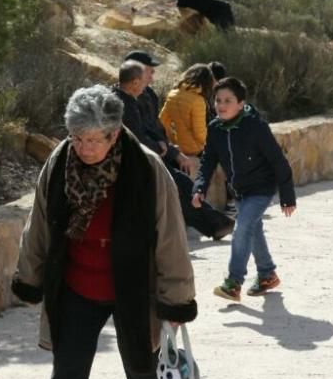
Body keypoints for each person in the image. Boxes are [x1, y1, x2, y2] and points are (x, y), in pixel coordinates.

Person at [12, 85, 198, 379]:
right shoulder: (59, 163)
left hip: (132, 286)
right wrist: (29, 278)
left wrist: (175, 303)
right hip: (78, 283)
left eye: (94, 139)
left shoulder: (145, 168)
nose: (84, 147)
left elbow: (170, 239)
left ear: (114, 134)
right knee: (67, 371)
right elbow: (39, 225)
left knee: (141, 364)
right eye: (78, 138)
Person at [192, 78, 296, 301]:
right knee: (253, 230)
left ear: (240, 103)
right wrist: (199, 188)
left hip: (261, 188)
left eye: (227, 100)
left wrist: (287, 196)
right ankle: (267, 274)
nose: (221, 105)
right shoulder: (215, 129)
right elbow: (208, 161)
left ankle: (233, 282)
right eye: (218, 100)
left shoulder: (255, 127)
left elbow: (279, 161)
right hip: (239, 190)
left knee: (242, 228)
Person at [113, 60, 234, 241]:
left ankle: (217, 223)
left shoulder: (145, 98)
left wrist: (168, 147)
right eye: (148, 75)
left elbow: (158, 125)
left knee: (181, 181)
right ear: (135, 82)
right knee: (176, 184)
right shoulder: (123, 103)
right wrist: (162, 147)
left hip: (154, 154)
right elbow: (135, 137)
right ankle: (216, 223)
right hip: (136, 160)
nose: (151, 80)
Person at [158, 64, 215, 179]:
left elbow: (162, 121)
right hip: (194, 149)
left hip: (177, 147)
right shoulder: (198, 100)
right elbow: (200, 134)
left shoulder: (172, 94)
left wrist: (172, 140)